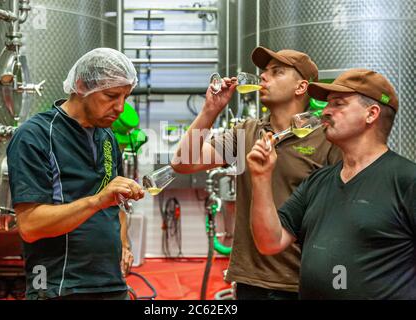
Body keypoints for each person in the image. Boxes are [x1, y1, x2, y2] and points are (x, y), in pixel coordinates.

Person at [172, 47, 341, 299]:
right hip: (250, 280)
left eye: (277, 72)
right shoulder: (247, 132)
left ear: (301, 87)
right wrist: (210, 109)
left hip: (303, 281)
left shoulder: (326, 139)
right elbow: (183, 162)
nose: (263, 77)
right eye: (264, 72)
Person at [248, 68, 416, 299]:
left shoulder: (407, 180)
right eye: (327, 104)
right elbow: (270, 242)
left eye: (338, 103)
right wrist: (261, 177)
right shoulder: (318, 181)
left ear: (371, 113)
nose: (326, 111)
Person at [7, 48, 145, 300]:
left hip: (110, 283)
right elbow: (29, 226)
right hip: (58, 286)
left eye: (126, 96)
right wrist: (98, 200)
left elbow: (117, 202)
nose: (120, 107)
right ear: (81, 86)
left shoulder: (107, 136)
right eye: (111, 95)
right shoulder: (35, 135)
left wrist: (123, 244)